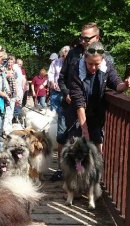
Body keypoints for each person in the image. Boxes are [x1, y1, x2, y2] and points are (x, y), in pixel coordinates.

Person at [53, 22, 101, 181]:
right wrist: (66, 93)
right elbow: (61, 78)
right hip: (71, 106)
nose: (84, 41)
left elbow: (110, 81)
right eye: (82, 38)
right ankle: (64, 172)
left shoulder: (103, 55)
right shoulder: (73, 54)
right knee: (65, 137)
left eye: (87, 38)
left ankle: (91, 179)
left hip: (93, 109)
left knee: (93, 143)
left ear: (97, 37)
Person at [69, 42, 130, 153]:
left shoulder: (107, 66)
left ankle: (97, 168)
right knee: (78, 150)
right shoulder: (76, 70)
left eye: (97, 64)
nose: (93, 68)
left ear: (102, 60)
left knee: (97, 148)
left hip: (97, 114)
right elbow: (79, 102)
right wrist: (85, 131)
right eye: (90, 64)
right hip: (78, 114)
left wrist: (126, 84)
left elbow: (116, 84)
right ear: (85, 58)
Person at [47, 45, 70, 175]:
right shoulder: (56, 62)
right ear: (61, 53)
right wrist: (51, 82)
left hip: (67, 94)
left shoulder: (74, 63)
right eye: (64, 51)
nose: (66, 53)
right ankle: (60, 167)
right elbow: (51, 74)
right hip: (56, 92)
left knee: (64, 121)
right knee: (54, 115)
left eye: (68, 52)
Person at [3, 55, 18, 134]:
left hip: (13, 95)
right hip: (6, 95)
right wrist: (6, 76)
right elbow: (2, 80)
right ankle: (5, 129)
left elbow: (15, 83)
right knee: (7, 112)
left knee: (11, 112)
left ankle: (8, 127)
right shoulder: (4, 71)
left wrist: (17, 95)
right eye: (9, 62)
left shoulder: (14, 71)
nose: (10, 64)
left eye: (11, 62)